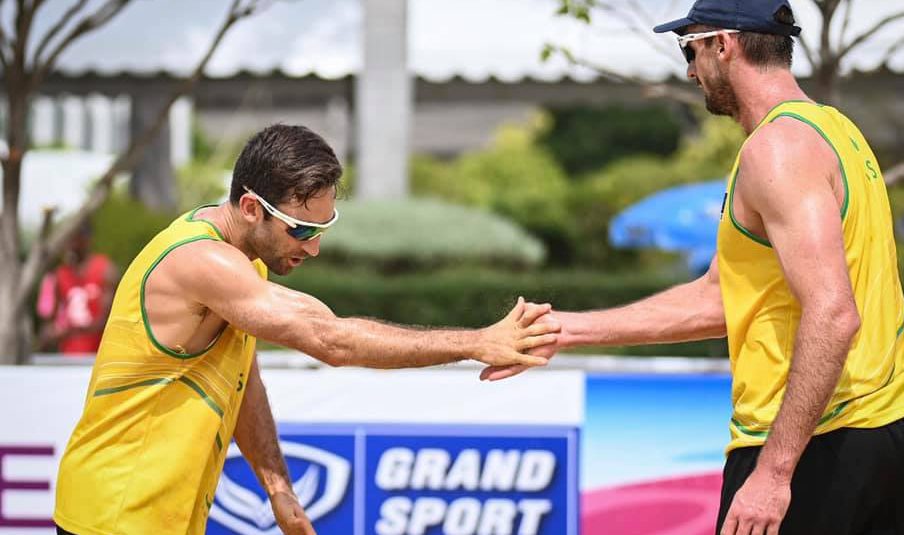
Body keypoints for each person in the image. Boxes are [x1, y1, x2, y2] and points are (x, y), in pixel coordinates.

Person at [483, 1, 904, 534]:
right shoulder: (835, 130)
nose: (691, 71)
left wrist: (773, 471)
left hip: (819, 443)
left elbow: (834, 313)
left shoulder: (776, 151)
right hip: (895, 430)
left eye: (690, 50)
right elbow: (722, 296)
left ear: (725, 45)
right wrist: (568, 330)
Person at [53, 124, 558, 535]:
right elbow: (329, 339)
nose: (312, 247)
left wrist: (278, 488)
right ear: (251, 207)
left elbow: (241, 379)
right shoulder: (200, 260)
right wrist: (475, 342)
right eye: (301, 230)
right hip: (114, 515)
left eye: (321, 229)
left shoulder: (242, 260)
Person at [36, 219, 118, 355]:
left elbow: (110, 321)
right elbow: (51, 322)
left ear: (86, 238)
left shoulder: (105, 270)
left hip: (99, 357)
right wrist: (48, 335)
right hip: (68, 358)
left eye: (74, 237)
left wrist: (70, 331)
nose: (69, 244)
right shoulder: (60, 275)